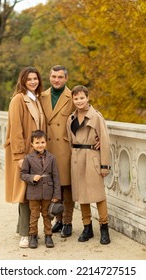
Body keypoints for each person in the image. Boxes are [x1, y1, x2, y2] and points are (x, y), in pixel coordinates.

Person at [40, 65, 100, 238]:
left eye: (60, 77)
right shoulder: (42, 95)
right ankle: (58, 219)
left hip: (65, 147)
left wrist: (98, 136)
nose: (56, 80)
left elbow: (88, 111)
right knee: (53, 185)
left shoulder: (71, 95)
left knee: (66, 187)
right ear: (49, 77)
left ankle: (67, 222)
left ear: (66, 78)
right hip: (47, 147)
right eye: (53, 76)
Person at [4, 66, 45, 248]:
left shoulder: (36, 99)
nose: (33, 82)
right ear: (23, 81)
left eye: (35, 78)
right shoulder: (18, 100)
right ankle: (25, 234)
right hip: (23, 153)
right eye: (29, 79)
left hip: (35, 153)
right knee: (26, 193)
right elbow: (16, 130)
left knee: (31, 191)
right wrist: (19, 156)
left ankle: (23, 228)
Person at [66, 85, 111, 245]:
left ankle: (104, 228)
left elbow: (104, 141)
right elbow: (70, 141)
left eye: (82, 98)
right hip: (77, 158)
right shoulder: (70, 118)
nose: (79, 101)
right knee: (81, 195)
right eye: (76, 98)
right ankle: (87, 227)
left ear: (88, 98)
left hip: (92, 157)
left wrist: (105, 165)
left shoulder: (96, 117)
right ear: (73, 100)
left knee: (98, 195)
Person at [20, 130, 61, 249]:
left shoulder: (51, 158)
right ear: (32, 144)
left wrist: (56, 194)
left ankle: (48, 236)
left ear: (46, 143)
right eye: (37, 142)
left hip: (48, 193)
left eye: (42, 142)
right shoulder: (28, 158)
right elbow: (22, 174)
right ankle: (33, 236)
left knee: (47, 215)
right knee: (34, 215)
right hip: (33, 192)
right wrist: (32, 177)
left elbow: (56, 177)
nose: (40, 145)